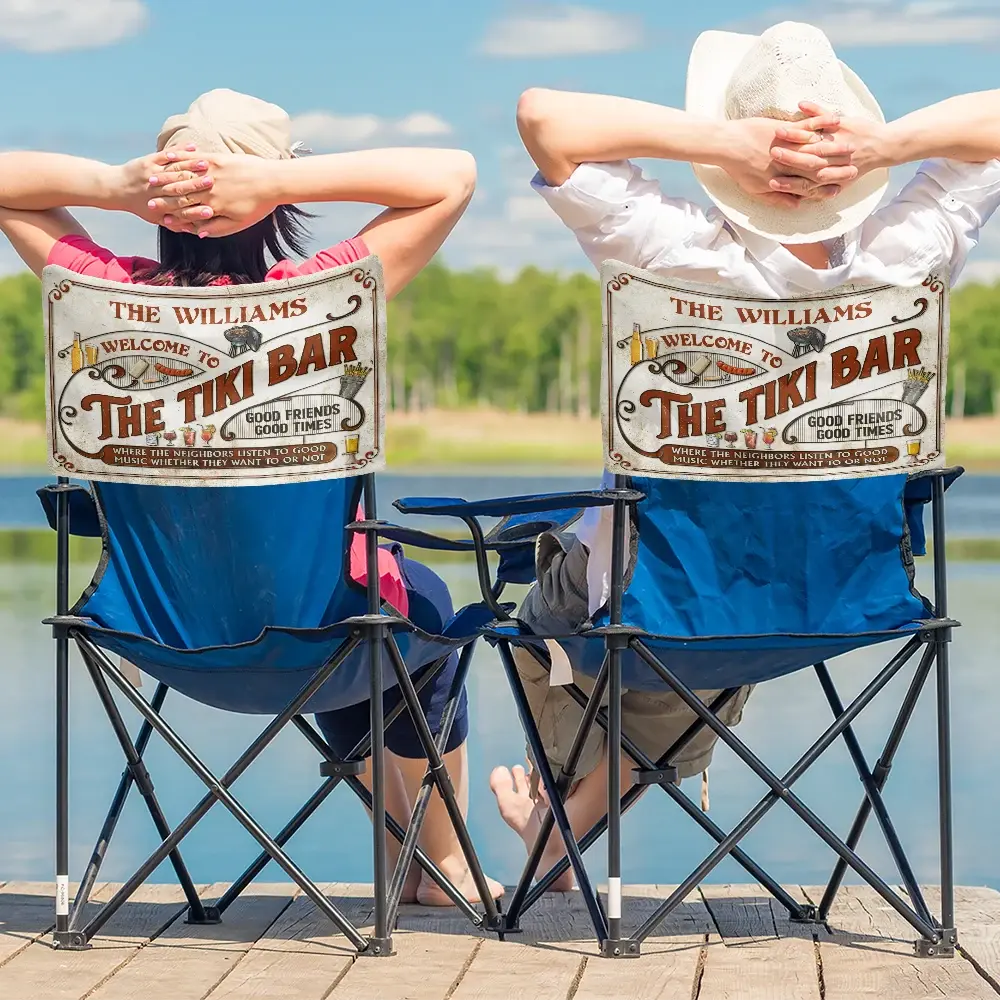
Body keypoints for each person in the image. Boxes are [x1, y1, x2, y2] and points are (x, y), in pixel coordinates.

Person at [490, 20, 1000, 888]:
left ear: (733, 163)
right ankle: (561, 832)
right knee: (714, 612)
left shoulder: (668, 250)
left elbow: (542, 115)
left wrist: (728, 140)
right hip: (841, 601)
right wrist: (882, 145)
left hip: (666, 604)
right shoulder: (909, 254)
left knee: (557, 610)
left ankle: (558, 825)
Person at [0, 88, 501, 906]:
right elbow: (452, 174)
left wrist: (117, 186)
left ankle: (402, 855)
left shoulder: (103, 295)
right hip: (324, 641)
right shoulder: (324, 293)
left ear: (158, 201)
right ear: (273, 200)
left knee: (357, 610)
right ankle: (440, 865)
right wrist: (271, 179)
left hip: (164, 639)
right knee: (417, 611)